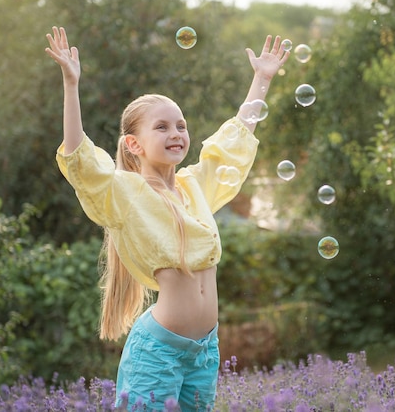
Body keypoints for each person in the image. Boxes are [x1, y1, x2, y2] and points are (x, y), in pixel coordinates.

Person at [45, 25, 289, 411]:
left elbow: (232, 145)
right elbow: (81, 163)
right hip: (158, 352)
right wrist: (71, 84)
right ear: (133, 144)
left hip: (205, 350)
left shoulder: (194, 187)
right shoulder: (127, 193)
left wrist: (261, 78)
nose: (176, 133)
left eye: (181, 125)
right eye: (161, 127)